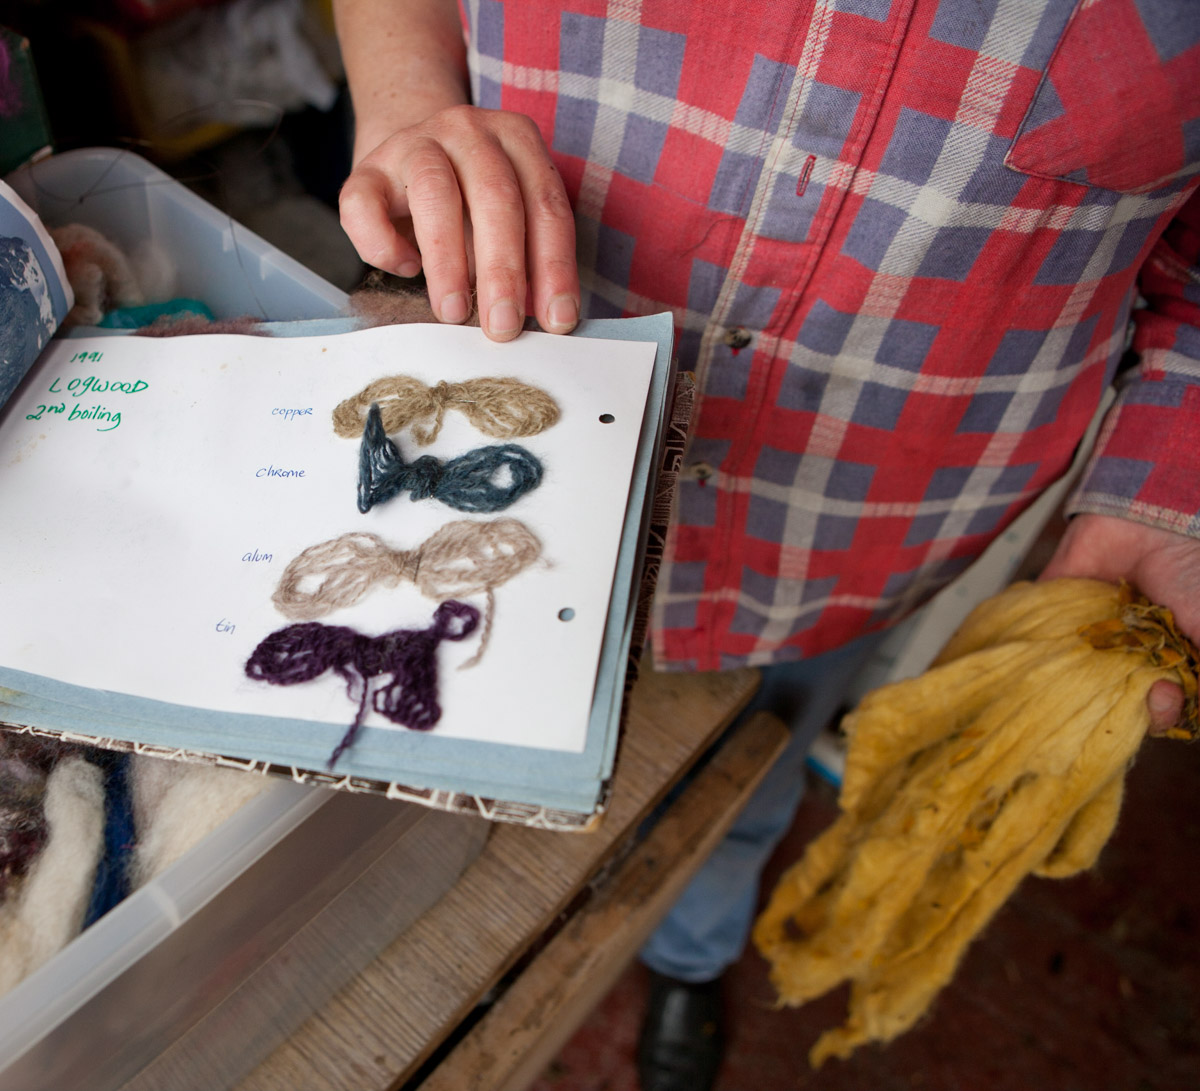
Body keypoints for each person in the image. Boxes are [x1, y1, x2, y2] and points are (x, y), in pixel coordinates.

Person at [331, 1, 1200, 1087]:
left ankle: (689, 954)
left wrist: (1171, 486)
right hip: (510, 481)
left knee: (738, 804)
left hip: (844, 549)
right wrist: (410, 107)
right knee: (436, 761)